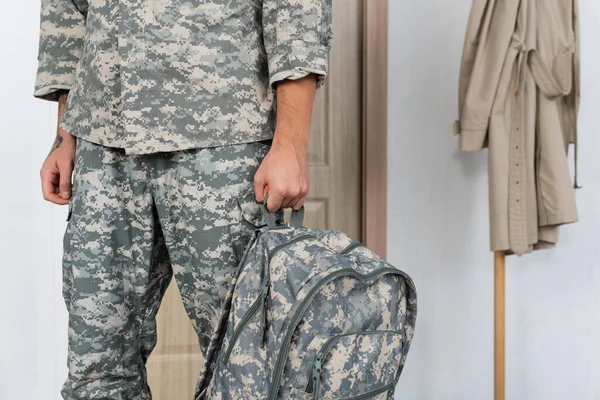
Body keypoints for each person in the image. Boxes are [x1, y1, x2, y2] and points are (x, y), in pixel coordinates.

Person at [33, 0, 332, 398]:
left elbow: (298, 8)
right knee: (96, 366)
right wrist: (64, 133)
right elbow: (68, 8)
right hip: (102, 141)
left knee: (249, 363)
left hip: (224, 137)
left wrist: (291, 143)